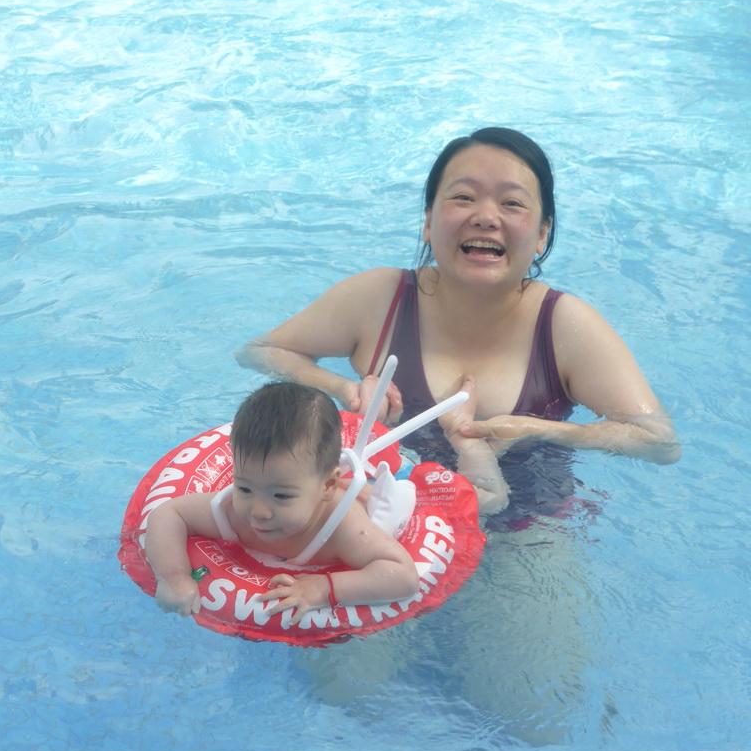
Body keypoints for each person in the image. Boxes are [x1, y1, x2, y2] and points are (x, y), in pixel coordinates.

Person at [236, 127, 680, 493]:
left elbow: (659, 442)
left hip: (527, 524)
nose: (486, 217)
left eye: (512, 203)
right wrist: (344, 389)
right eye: (464, 197)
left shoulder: (564, 327)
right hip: (378, 507)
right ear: (428, 222)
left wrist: (541, 429)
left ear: (543, 234)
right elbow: (260, 351)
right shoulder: (378, 299)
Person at [145, 382, 419, 623]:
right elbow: (168, 514)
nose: (259, 511)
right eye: (244, 487)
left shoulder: (343, 528)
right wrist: (174, 576)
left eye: (281, 496)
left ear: (327, 486)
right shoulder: (231, 512)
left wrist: (324, 588)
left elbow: (403, 577)